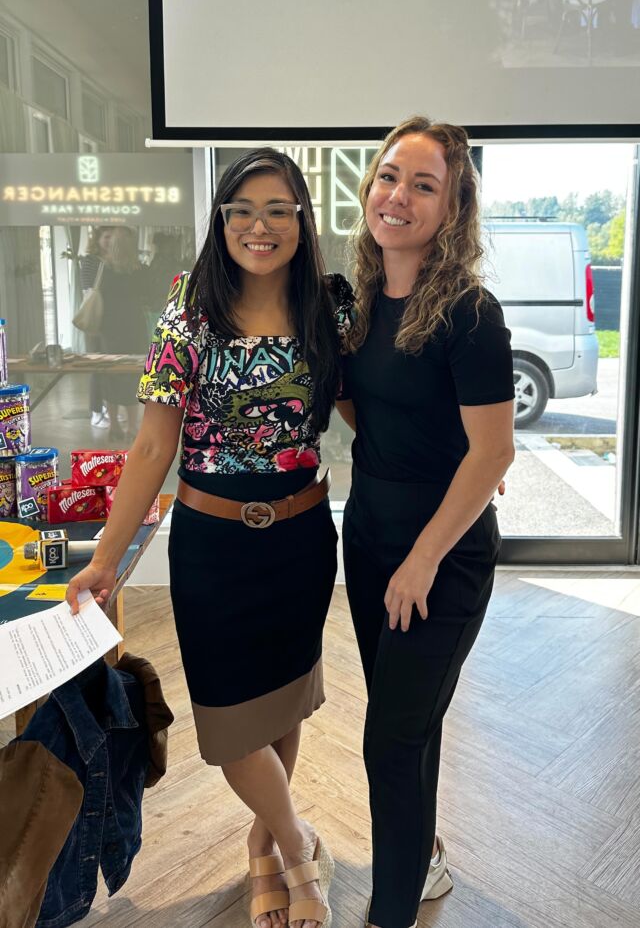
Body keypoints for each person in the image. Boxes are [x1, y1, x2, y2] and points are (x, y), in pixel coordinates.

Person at [66, 149, 354, 928]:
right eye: (242, 211)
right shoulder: (187, 309)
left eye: (278, 211)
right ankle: (299, 845)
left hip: (299, 543)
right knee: (230, 730)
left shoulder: (333, 305)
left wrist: (456, 461)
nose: (260, 227)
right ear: (222, 220)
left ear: (302, 222)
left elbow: (369, 414)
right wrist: (105, 557)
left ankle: (264, 850)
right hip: (214, 548)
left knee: (280, 707)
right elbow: (153, 449)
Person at [337, 117, 514, 928]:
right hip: (368, 536)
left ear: (452, 208)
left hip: (439, 558)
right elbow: (365, 405)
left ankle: (392, 912)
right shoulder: (360, 301)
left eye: (422, 184)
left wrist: (422, 560)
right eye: (387, 177)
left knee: (391, 741)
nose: (396, 196)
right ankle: (426, 861)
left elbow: (491, 454)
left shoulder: (470, 314)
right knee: (409, 720)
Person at [99, 226, 150, 442]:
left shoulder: (104, 269)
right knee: (133, 375)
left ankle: (113, 425)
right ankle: (131, 427)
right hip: (134, 326)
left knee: (111, 375)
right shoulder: (138, 270)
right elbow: (148, 296)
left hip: (109, 327)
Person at [79, 225, 114, 428]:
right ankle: (96, 410)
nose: (109, 241)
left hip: (113, 321)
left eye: (112, 237)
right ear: (98, 239)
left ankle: (111, 408)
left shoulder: (119, 260)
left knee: (112, 367)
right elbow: (88, 289)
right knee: (96, 365)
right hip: (97, 319)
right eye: (106, 237)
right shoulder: (91, 260)